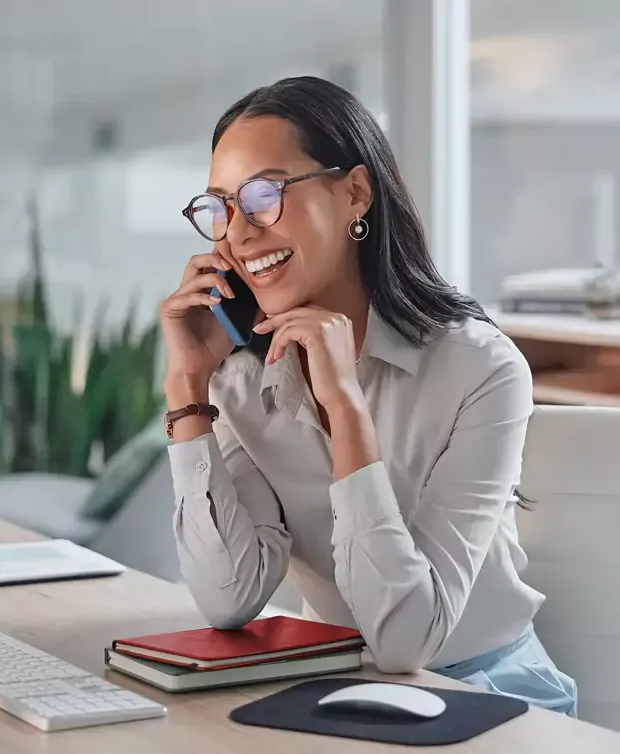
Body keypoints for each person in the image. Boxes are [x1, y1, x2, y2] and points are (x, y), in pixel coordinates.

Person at [157, 76, 576, 716]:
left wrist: (346, 408)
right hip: (333, 687)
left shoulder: (480, 368)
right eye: (220, 208)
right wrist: (187, 384)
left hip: (487, 693)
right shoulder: (237, 383)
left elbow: (406, 642)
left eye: (265, 195)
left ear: (355, 192)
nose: (237, 234)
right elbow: (228, 596)